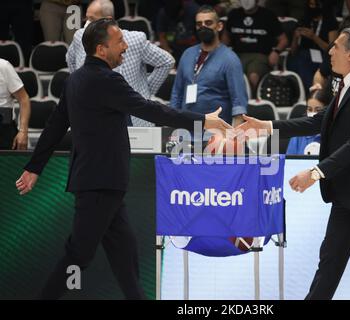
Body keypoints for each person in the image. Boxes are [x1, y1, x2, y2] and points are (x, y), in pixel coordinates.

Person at [15, 18, 231, 300]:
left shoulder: (76, 79)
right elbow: (153, 110)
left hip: (102, 184)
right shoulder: (106, 81)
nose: (126, 47)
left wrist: (35, 167)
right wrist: (203, 121)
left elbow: (55, 125)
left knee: (124, 257)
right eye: (119, 42)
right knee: (79, 254)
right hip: (99, 183)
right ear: (102, 49)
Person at [238, 27, 350, 300]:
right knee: (330, 261)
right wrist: (267, 125)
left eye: (335, 46)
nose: (329, 50)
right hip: (346, 192)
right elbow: (316, 120)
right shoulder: (349, 85)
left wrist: (315, 173)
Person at [66, 0, 175, 127]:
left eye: (92, 19)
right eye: (87, 18)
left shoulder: (134, 40)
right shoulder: (80, 37)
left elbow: (166, 61)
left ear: (107, 19)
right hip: (92, 117)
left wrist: (143, 93)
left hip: (133, 118)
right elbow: (70, 59)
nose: (87, 23)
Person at [171, 6, 248, 127]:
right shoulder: (187, 54)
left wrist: (234, 138)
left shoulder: (230, 59)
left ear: (219, 26)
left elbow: (238, 103)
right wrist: (173, 125)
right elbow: (177, 93)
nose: (203, 27)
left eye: (208, 23)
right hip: (186, 128)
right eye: (199, 24)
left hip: (216, 131)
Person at [222, 0, 288, 96]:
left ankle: (252, 101)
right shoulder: (234, 14)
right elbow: (226, 37)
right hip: (237, 55)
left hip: (260, 56)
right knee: (227, 74)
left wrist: (276, 51)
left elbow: (283, 40)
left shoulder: (268, 15)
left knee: (253, 76)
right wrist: (221, 51)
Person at [287, 0, 338, 89]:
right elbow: (293, 51)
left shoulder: (330, 21)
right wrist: (295, 37)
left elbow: (331, 49)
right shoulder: (303, 20)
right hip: (303, 55)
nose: (313, 7)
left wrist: (314, 37)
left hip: (323, 55)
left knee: (304, 60)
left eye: (315, 4)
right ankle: (311, 90)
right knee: (300, 59)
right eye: (310, 4)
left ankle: (311, 91)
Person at [286, 89, 331, 155]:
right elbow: (290, 161)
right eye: (309, 109)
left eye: (318, 110)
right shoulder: (298, 134)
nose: (313, 113)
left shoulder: (333, 134)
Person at [0, 58, 30, 150]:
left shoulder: (3, 66)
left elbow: (24, 99)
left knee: (6, 164)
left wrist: (23, 131)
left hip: (3, 130)